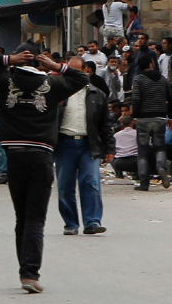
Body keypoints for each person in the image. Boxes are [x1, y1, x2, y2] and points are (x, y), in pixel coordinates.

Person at [0, 44, 90, 294]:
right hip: (42, 157)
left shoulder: (4, 81)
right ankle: (30, 273)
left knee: (22, 217)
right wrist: (56, 66)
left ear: (17, 61)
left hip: (14, 156)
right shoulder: (55, 85)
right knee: (36, 219)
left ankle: (24, 272)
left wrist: (8, 59)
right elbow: (82, 77)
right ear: (41, 63)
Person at [54, 57, 115, 235]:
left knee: (91, 183)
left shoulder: (97, 95)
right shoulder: (58, 94)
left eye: (76, 71)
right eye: (69, 71)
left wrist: (110, 148)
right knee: (65, 186)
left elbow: (105, 124)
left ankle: (92, 221)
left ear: (85, 71)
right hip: (64, 144)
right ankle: (70, 224)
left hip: (89, 145)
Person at [130, 54, 172, 191]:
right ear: (151, 64)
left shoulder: (138, 79)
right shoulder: (162, 79)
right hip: (160, 118)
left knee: (143, 151)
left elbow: (136, 99)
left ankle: (144, 183)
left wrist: (135, 115)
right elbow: (171, 99)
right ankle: (162, 168)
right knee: (159, 148)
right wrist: (170, 117)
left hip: (143, 118)